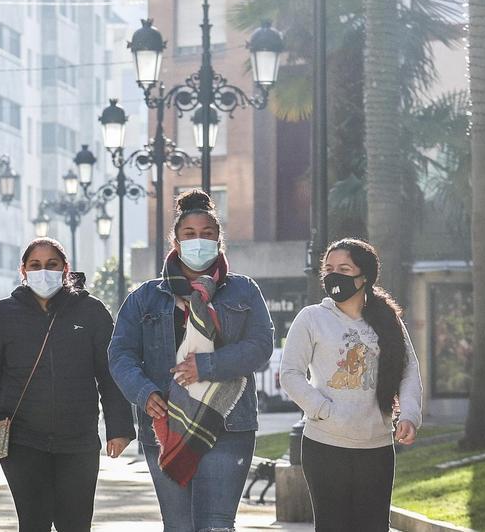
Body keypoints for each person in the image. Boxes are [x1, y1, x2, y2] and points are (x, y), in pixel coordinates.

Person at [108, 190, 275, 532]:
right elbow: (120, 353)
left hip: (229, 425)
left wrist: (208, 366)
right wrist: (143, 393)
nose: (199, 240)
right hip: (167, 424)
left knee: (216, 525)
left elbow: (260, 345)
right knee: (179, 526)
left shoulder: (243, 290)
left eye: (207, 234)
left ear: (219, 240)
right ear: (175, 240)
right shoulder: (145, 297)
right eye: (189, 234)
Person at [0, 237, 135, 531]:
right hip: (21, 440)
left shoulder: (92, 312)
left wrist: (119, 428)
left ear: (65, 268)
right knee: (34, 523)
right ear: (23, 270)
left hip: (79, 440)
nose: (43, 272)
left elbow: (109, 373)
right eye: (35, 265)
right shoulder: (1, 315)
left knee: (75, 524)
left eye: (51, 265)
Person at [280, 239, 422, 532]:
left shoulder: (388, 321)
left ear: (365, 276)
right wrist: (322, 410)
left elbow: (408, 370)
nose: (334, 275)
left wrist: (409, 414)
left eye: (344, 269)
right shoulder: (311, 318)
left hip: (377, 447)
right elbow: (290, 373)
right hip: (324, 446)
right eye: (329, 269)